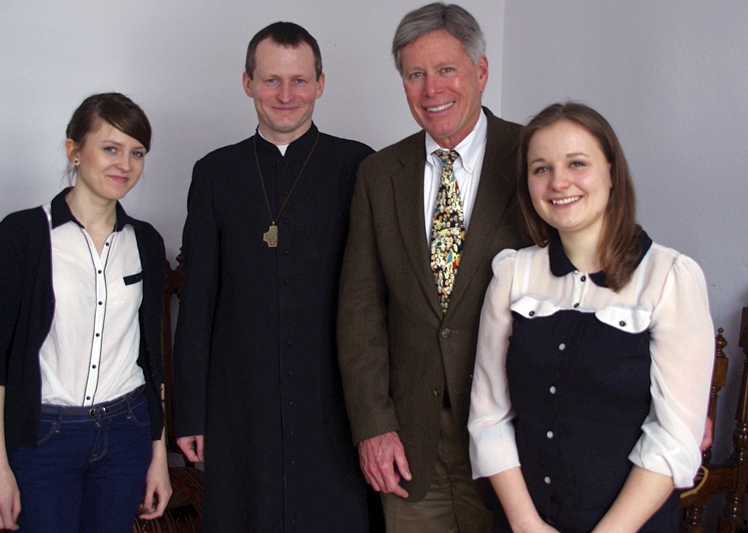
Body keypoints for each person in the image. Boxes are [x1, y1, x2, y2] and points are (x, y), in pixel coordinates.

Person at [467, 102, 713, 532]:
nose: (558, 182)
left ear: (612, 173)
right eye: (540, 168)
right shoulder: (512, 274)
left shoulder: (670, 278)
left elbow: (675, 439)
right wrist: (527, 525)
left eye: (577, 163)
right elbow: (489, 417)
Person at [172, 22, 374, 532]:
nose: (286, 96)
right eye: (270, 81)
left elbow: (378, 297)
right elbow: (197, 301)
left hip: (333, 400)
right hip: (241, 402)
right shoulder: (215, 173)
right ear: (247, 83)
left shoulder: (359, 166)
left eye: (299, 81)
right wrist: (190, 413)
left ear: (320, 84)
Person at [337, 3, 527, 531]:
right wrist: (373, 426)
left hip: (514, 436)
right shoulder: (379, 174)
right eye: (415, 74)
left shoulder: (532, 155)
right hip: (410, 442)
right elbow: (360, 311)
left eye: (446, 70)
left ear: (481, 71)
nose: (431, 89)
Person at [0, 92, 171, 532]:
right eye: (110, 148)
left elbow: (150, 358)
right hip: (44, 438)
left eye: (137, 153)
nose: (125, 164)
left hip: (127, 431)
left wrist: (159, 458)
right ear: (74, 151)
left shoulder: (147, 243)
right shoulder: (21, 236)